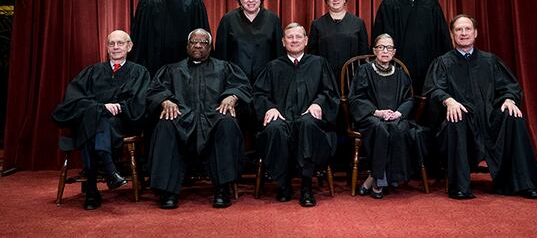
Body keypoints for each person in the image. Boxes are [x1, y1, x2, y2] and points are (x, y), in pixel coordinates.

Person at [422, 14, 537, 200]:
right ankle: (460, 187)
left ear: (476, 33)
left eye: (467, 29)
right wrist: (449, 100)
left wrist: (509, 99)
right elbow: (434, 89)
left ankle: (523, 183)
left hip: (489, 119)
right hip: (462, 121)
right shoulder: (443, 63)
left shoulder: (490, 61)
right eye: (458, 30)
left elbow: (509, 87)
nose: (463, 33)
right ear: (452, 34)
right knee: (457, 117)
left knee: (512, 116)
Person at [146, 28, 252, 209]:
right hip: (182, 118)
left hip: (213, 117)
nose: (197, 45)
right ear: (187, 46)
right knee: (166, 124)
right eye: (194, 42)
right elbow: (154, 90)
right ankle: (168, 191)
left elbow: (243, 87)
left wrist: (232, 96)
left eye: (203, 42)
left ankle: (222, 188)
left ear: (210, 47)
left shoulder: (224, 68)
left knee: (226, 122)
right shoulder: (172, 70)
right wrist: (165, 100)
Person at [52, 30, 150, 210]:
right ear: (106, 47)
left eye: (120, 43)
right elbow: (73, 99)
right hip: (95, 121)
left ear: (129, 46)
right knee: (95, 119)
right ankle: (110, 171)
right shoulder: (93, 71)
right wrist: (100, 108)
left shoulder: (139, 72)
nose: (115, 47)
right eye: (111, 44)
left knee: (94, 124)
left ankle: (91, 189)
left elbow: (139, 102)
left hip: (122, 122)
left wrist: (118, 107)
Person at [253, 23, 339, 207]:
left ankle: (306, 186)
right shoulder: (273, 67)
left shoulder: (318, 63)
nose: (294, 40)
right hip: (283, 119)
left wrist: (318, 104)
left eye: (298, 36)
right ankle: (283, 185)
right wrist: (270, 107)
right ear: (283, 42)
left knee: (308, 125)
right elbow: (259, 94)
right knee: (275, 127)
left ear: (306, 41)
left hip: (309, 120)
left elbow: (330, 93)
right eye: (290, 37)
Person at [348, 33, 427, 199]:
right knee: (380, 128)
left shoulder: (400, 74)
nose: (385, 51)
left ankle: (373, 178)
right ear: (375, 50)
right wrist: (377, 112)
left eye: (389, 47)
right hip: (372, 117)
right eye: (381, 47)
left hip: (396, 116)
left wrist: (398, 113)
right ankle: (379, 182)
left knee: (398, 129)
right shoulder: (364, 71)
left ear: (394, 52)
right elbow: (356, 98)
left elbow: (409, 99)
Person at [372, 0, 452, 97]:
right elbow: (378, 41)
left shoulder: (431, 4)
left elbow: (443, 38)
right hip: (397, 71)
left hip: (429, 70)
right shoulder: (388, 5)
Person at [130, 0, 210, 77]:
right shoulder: (147, 3)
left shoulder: (194, 3)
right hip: (153, 67)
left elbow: (203, 39)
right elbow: (138, 39)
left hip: (186, 70)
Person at [214, 0, 284, 84]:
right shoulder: (228, 19)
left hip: (266, 80)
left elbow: (279, 52)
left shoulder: (273, 19)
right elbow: (221, 53)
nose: (251, 0)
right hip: (235, 80)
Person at [307, 0, 369, 81]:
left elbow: (364, 54)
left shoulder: (358, 23)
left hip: (352, 79)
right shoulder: (317, 24)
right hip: (325, 78)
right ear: (327, 0)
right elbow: (312, 55)